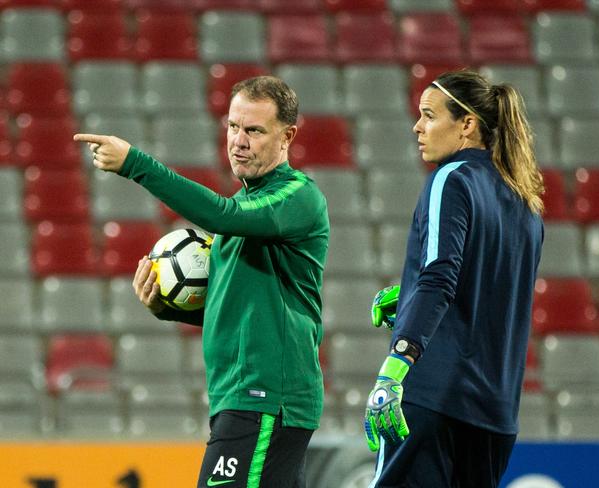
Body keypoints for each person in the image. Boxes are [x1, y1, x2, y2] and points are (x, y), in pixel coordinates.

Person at [74, 76, 329, 488]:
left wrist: (136, 164)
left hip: (266, 397)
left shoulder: (296, 196)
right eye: (232, 126)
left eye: (254, 130)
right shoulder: (250, 204)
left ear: (288, 136)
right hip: (245, 397)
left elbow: (222, 215)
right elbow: (242, 309)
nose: (238, 141)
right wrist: (167, 309)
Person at [364, 70, 545, 488]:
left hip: (433, 398)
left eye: (429, 115)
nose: (417, 126)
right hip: (495, 416)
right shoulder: (526, 203)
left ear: (466, 125)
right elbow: (490, 293)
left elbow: (439, 277)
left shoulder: (452, 178)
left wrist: (395, 367)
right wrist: (408, 299)